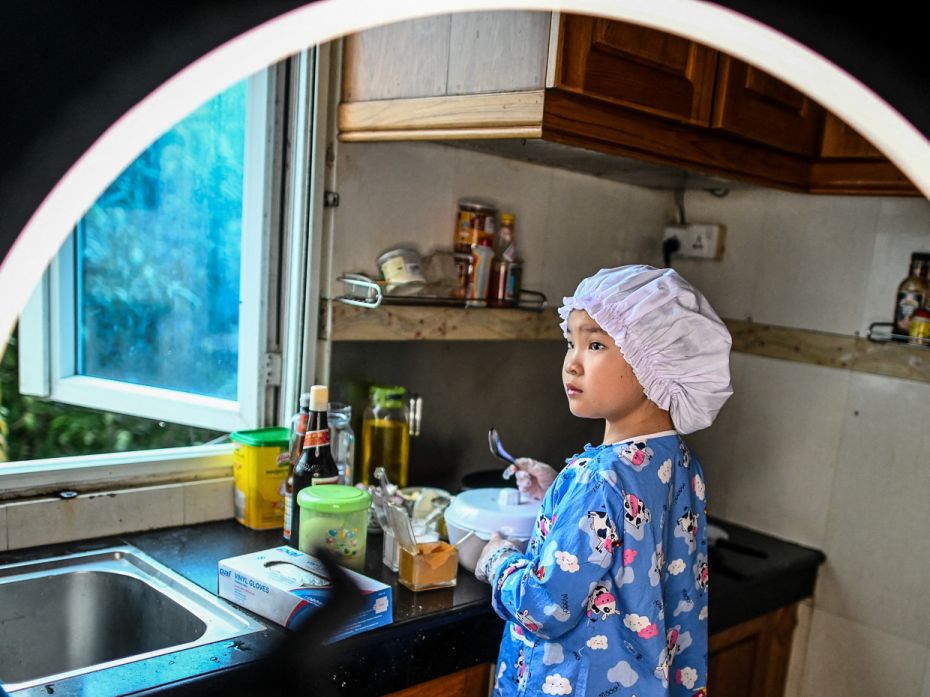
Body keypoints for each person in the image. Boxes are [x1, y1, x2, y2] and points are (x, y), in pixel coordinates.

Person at [474, 265, 732, 697]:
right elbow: (630, 538)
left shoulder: (595, 480)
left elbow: (547, 607)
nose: (571, 364)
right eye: (570, 342)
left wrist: (497, 560)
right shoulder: (680, 459)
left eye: (595, 344)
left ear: (656, 362)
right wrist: (558, 493)